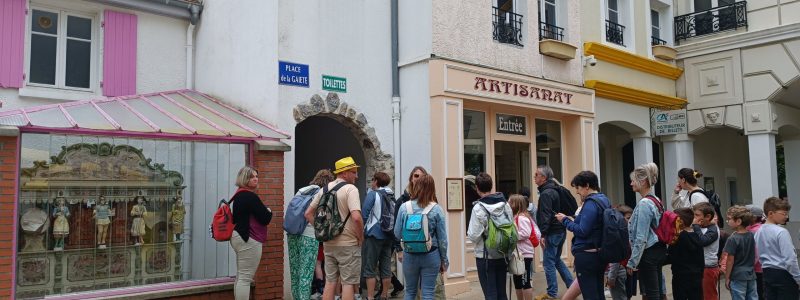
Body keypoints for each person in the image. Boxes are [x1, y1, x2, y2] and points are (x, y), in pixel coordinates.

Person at [305, 157, 364, 300]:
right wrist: (360, 237)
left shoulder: (324, 190)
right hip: (348, 244)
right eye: (354, 172)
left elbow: (308, 214)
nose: (356, 176)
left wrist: (322, 230)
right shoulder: (351, 189)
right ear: (344, 173)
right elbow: (356, 217)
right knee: (348, 284)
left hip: (328, 244)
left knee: (330, 282)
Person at [555, 171, 610, 300]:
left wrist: (565, 221)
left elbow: (582, 230)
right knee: (598, 294)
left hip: (587, 256)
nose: (577, 192)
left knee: (590, 295)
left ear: (586, 185)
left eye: (578, 188)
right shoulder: (604, 199)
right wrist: (574, 218)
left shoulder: (591, 203)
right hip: (599, 253)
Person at [394, 174, 448, 300]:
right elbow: (442, 240)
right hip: (431, 255)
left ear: (416, 187)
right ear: (432, 188)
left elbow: (397, 233)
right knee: (428, 293)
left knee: (410, 292)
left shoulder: (404, 207)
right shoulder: (437, 209)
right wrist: (444, 260)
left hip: (410, 254)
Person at [289, 169, 335, 300]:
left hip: (292, 233)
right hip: (308, 236)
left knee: (295, 271)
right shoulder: (322, 193)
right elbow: (321, 216)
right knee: (306, 272)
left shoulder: (302, 190)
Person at [467, 172, 513, 300]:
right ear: (491, 186)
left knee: (490, 294)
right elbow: (511, 226)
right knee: (502, 293)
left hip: (485, 256)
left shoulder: (478, 208)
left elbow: (473, 235)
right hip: (502, 253)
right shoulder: (505, 205)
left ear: (477, 188)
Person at [230, 166, 273, 300]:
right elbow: (265, 218)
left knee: (241, 276)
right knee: (245, 278)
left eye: (256, 176)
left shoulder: (238, 195)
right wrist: (269, 211)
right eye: (251, 177)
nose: (255, 179)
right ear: (244, 179)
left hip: (238, 236)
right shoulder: (250, 196)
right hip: (248, 239)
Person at [626, 162, 666, 300]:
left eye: (633, 180)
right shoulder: (656, 200)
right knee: (658, 290)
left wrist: (633, 262)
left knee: (652, 292)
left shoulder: (644, 204)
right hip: (659, 249)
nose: (631, 183)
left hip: (649, 253)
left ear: (643, 182)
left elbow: (641, 237)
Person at [534, 165, 574, 300]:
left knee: (548, 263)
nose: (534, 177)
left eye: (536, 175)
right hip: (560, 230)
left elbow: (545, 215)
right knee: (556, 260)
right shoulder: (556, 190)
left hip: (552, 232)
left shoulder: (546, 193)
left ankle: (551, 293)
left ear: (543, 178)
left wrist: (543, 234)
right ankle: (573, 286)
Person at [754, 197, 799, 300]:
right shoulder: (781, 232)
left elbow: (757, 254)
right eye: (783, 214)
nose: (786, 217)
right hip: (784, 274)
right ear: (771, 213)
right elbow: (790, 259)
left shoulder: (759, 231)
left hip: (767, 272)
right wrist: (798, 278)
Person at [362, 171, 395, 300]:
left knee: (370, 267)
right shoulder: (391, 195)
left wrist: (360, 232)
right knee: (386, 267)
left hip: (374, 235)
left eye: (372, 180)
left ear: (376, 181)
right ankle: (384, 295)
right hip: (389, 235)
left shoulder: (373, 194)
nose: (371, 182)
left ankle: (370, 297)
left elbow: (364, 214)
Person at [666, 207, 704, 300]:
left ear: (680, 221)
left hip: (680, 276)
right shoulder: (696, 236)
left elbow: (671, 256)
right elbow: (701, 259)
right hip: (696, 276)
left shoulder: (678, 238)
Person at [509, 194, 541, 300]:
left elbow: (525, 233)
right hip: (518, 254)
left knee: (525, 281)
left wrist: (512, 236)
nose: (508, 204)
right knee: (518, 282)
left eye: (510, 202)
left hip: (524, 254)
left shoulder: (522, 218)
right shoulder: (517, 217)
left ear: (516, 204)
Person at [724, 206, 758, 300]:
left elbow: (730, 260)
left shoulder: (732, 239)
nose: (727, 221)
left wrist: (727, 277)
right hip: (751, 274)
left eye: (729, 219)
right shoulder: (751, 235)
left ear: (738, 221)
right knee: (752, 297)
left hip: (737, 275)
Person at [691, 202, 721, 300]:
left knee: (709, 296)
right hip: (701, 267)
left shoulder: (713, 230)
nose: (694, 218)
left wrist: (695, 226)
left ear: (708, 217)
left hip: (708, 268)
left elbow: (702, 241)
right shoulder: (702, 228)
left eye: (697, 215)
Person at [607, 205, 633, 300]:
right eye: (628, 218)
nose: (630, 221)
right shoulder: (618, 234)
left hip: (624, 270)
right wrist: (612, 277)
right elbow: (615, 259)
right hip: (619, 271)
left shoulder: (626, 231)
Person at [745, 204, 765, 300]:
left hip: (756, 269)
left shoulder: (754, 231)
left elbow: (755, 253)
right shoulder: (762, 228)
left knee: (757, 294)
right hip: (762, 268)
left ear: (753, 217)